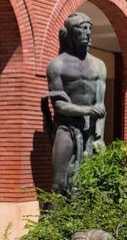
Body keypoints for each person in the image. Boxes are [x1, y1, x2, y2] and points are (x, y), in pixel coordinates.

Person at [45, 12, 107, 194]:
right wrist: (88, 110)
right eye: (82, 28)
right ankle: (54, 222)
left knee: (86, 183)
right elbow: (58, 105)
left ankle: (82, 221)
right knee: (58, 182)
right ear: (71, 33)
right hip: (65, 127)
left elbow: (101, 106)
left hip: (89, 131)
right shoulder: (57, 65)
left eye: (90, 28)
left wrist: (99, 137)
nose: (87, 33)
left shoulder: (99, 66)